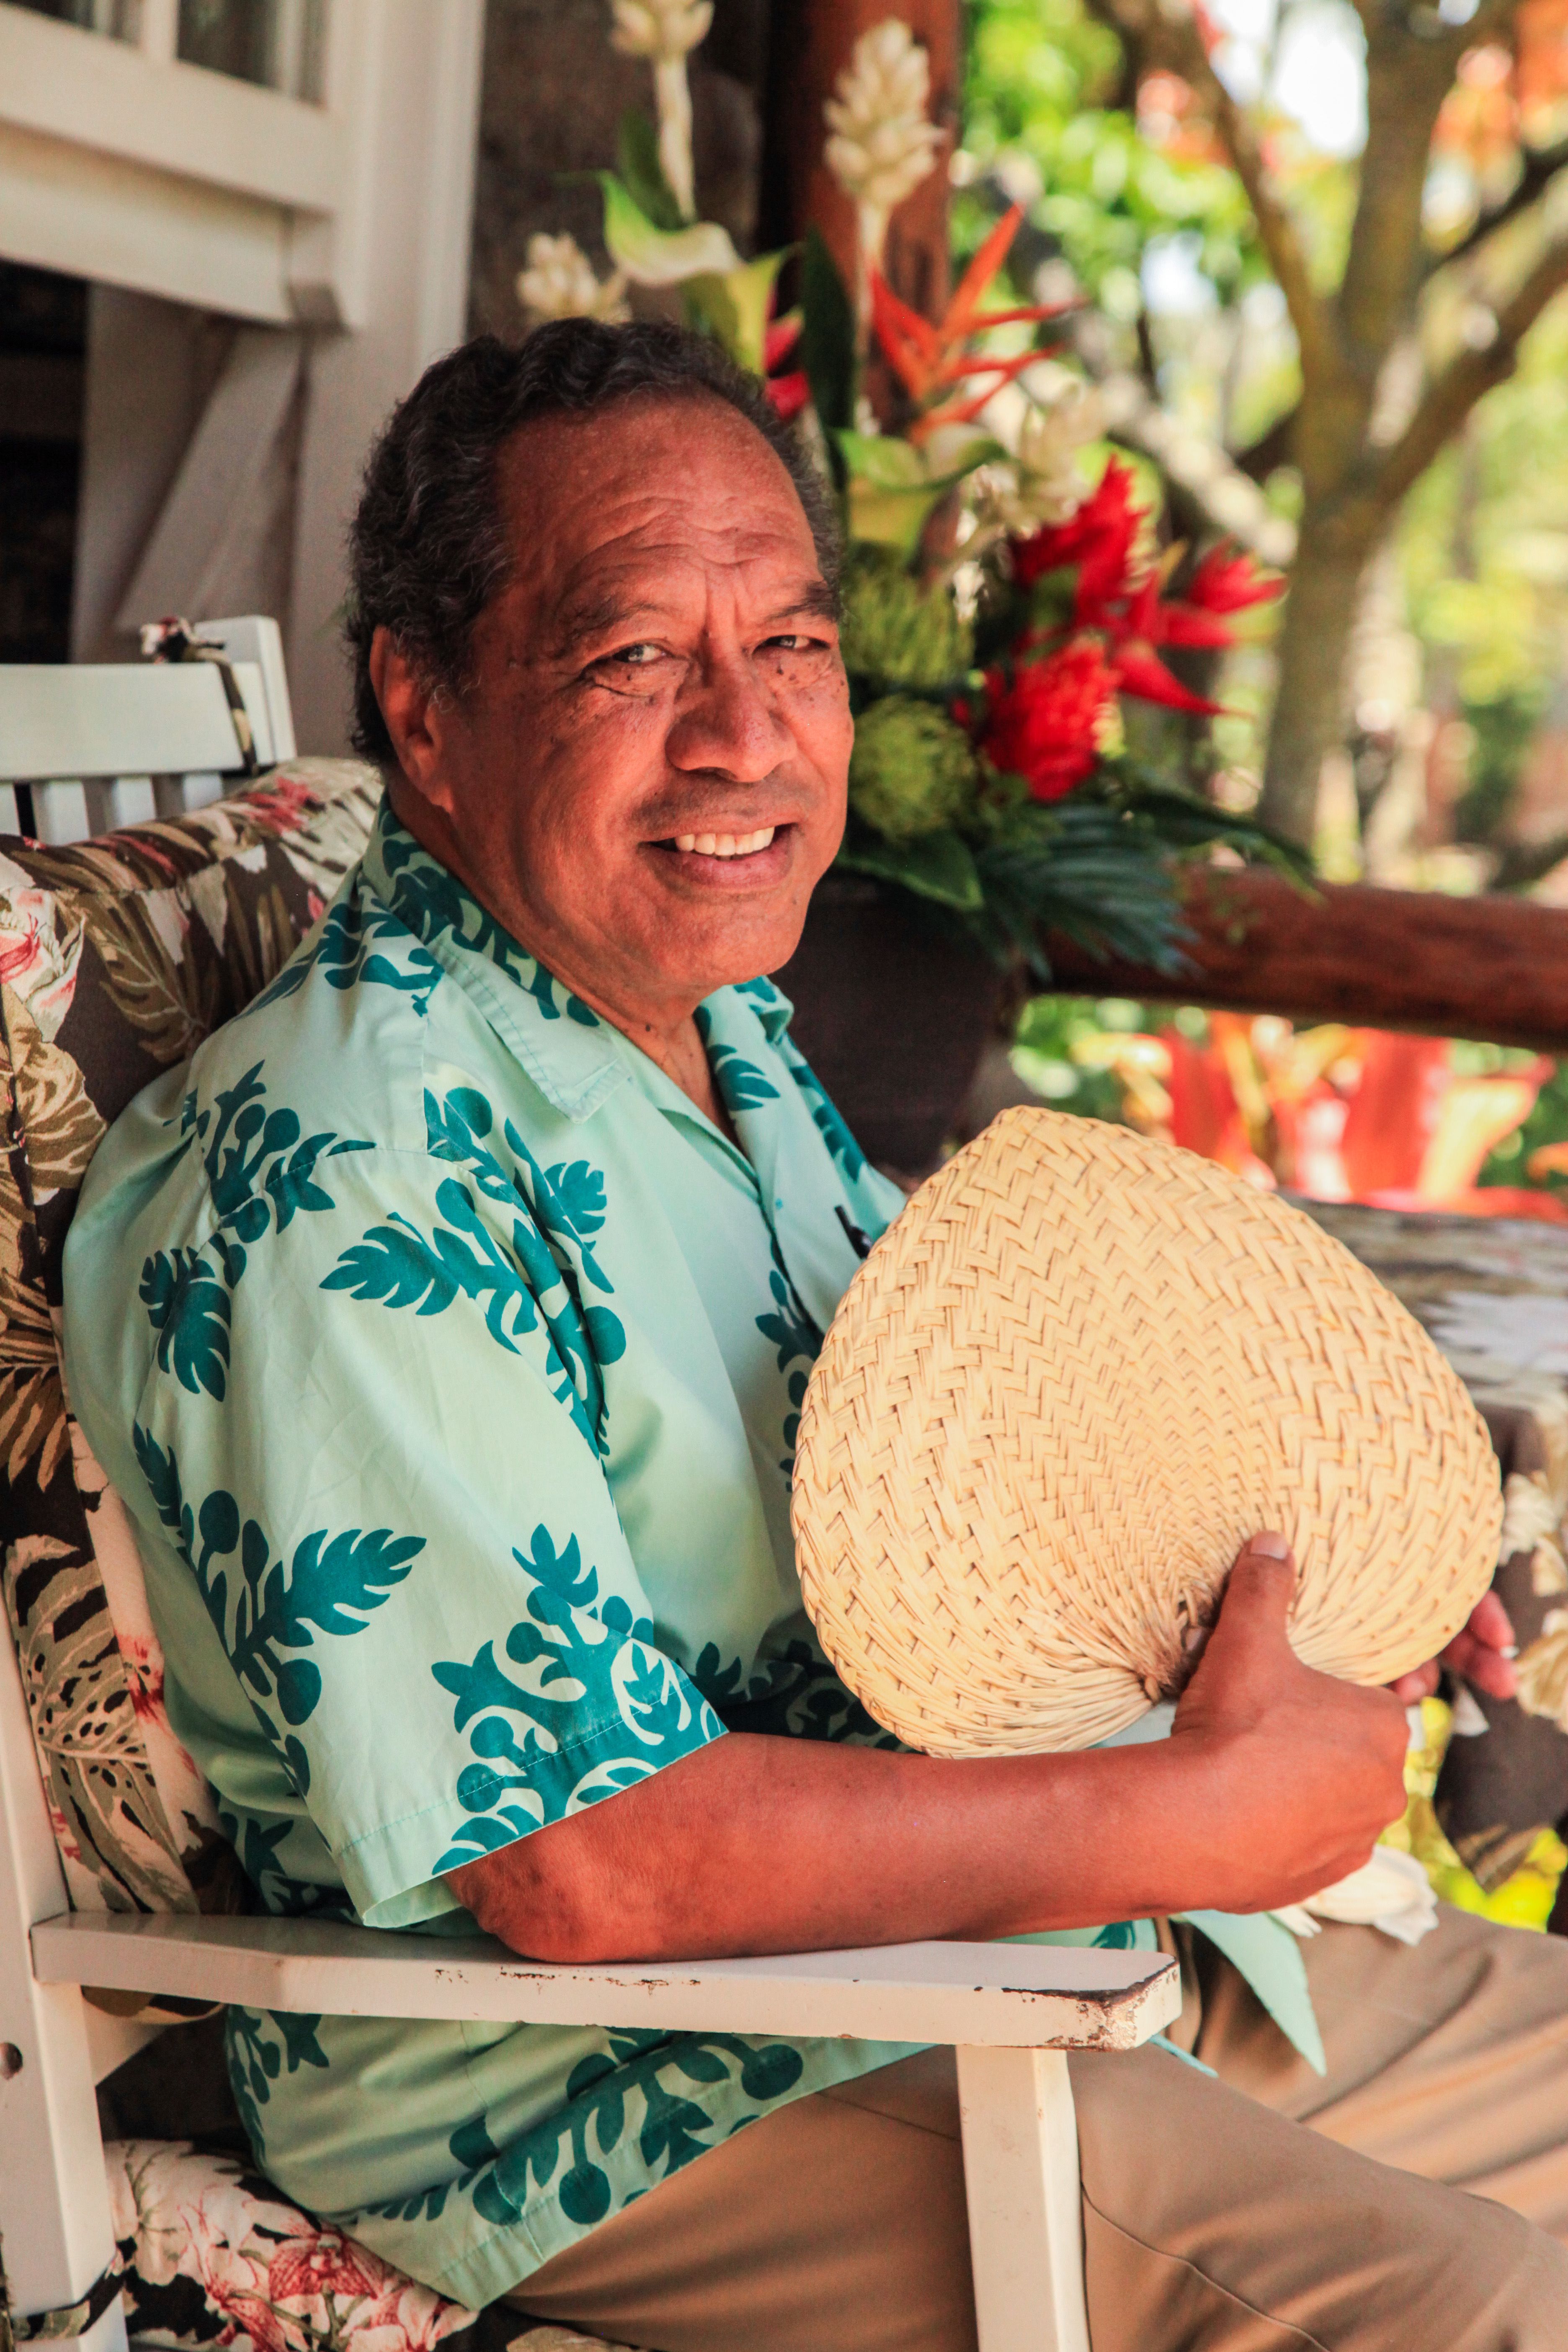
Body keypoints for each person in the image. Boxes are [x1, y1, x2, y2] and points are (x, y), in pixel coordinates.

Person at [62, 319, 1568, 2352]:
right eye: (631, 661)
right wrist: (1190, 1813)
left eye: (791, 648)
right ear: (424, 713)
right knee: (1479, 2311)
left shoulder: (721, 1040)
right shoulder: (343, 1166)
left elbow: (970, 1514)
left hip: (1040, 1948)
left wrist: (1287, 1596)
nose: (744, 739)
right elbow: (583, 1869)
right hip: (623, 2089)